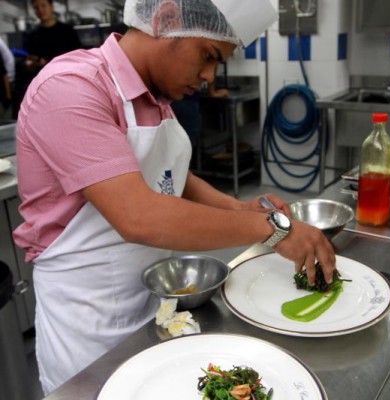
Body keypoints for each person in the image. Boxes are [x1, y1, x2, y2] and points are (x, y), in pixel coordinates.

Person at [14, 0, 336, 395]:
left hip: (155, 313)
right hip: (89, 331)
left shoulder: (157, 101)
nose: (209, 75)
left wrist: (239, 207)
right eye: (208, 55)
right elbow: (138, 216)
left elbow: (170, 176)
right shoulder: (71, 87)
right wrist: (273, 229)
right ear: (166, 19)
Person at [12, 0, 82, 118]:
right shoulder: (32, 35)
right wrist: (29, 64)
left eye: (43, 6)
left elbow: (78, 57)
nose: (40, 10)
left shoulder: (67, 31)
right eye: (36, 7)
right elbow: (29, 58)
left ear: (51, 6)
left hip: (67, 84)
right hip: (43, 88)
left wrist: (51, 63)